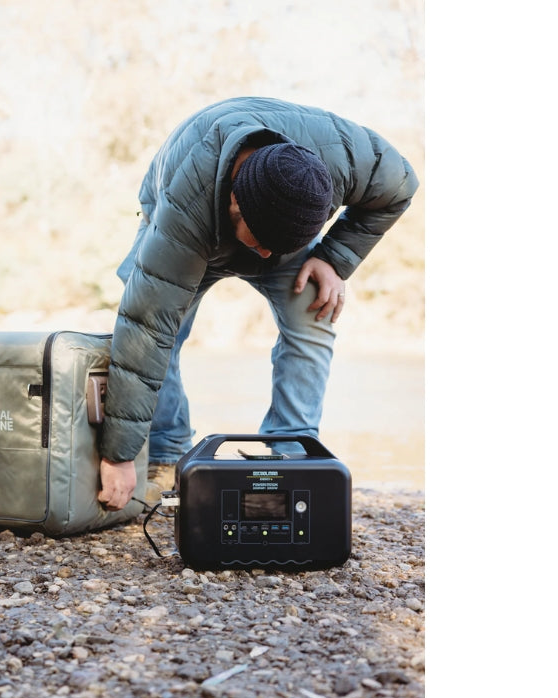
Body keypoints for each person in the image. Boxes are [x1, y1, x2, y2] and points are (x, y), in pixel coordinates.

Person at [96, 96, 419, 511]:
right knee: (166, 334)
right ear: (235, 204)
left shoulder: (350, 162)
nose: (263, 259)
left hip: (285, 215)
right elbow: (145, 329)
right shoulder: (184, 218)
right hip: (184, 216)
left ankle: (290, 453)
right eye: (261, 245)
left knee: (313, 315)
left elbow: (401, 187)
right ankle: (166, 453)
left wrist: (333, 257)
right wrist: (118, 456)